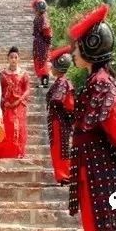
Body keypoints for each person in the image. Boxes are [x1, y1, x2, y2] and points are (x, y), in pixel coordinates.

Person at [68, 4, 116, 231]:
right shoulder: (96, 80)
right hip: (93, 162)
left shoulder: (100, 82)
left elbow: (112, 123)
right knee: (101, 224)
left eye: (76, 47)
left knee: (103, 225)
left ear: (91, 46)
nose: (73, 52)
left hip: (99, 164)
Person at [0, 46, 30, 158]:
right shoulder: (2, 74)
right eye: (11, 57)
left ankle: (18, 151)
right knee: (7, 127)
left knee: (19, 127)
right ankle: (6, 151)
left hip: (19, 105)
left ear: (19, 59)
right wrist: (3, 101)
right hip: (6, 105)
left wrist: (20, 100)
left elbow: (27, 90)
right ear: (7, 58)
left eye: (15, 57)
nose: (13, 59)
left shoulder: (24, 74)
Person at [46, 45, 74, 185]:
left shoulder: (62, 83)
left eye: (53, 65)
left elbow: (60, 101)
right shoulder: (61, 82)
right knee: (59, 149)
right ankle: (62, 175)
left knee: (61, 149)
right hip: (58, 121)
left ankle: (64, 175)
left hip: (60, 121)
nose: (51, 67)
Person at [32, 0, 52, 88]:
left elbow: (47, 32)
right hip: (39, 44)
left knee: (42, 63)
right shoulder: (39, 17)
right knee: (39, 62)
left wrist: (47, 43)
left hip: (42, 44)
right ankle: (42, 82)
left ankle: (44, 83)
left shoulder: (43, 18)